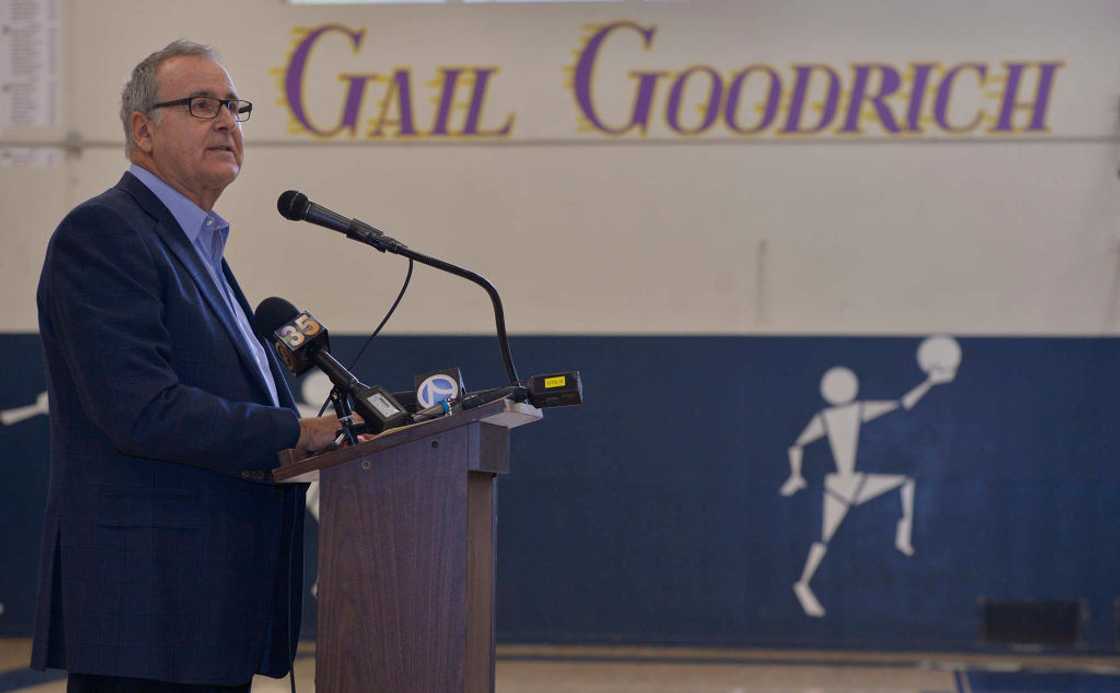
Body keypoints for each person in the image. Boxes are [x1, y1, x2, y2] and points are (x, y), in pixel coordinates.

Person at [31, 40, 341, 692]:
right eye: (202, 104)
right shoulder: (105, 235)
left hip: (206, 610)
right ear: (144, 130)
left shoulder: (199, 248)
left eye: (234, 106)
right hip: (147, 613)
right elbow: (141, 410)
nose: (227, 120)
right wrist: (290, 431)